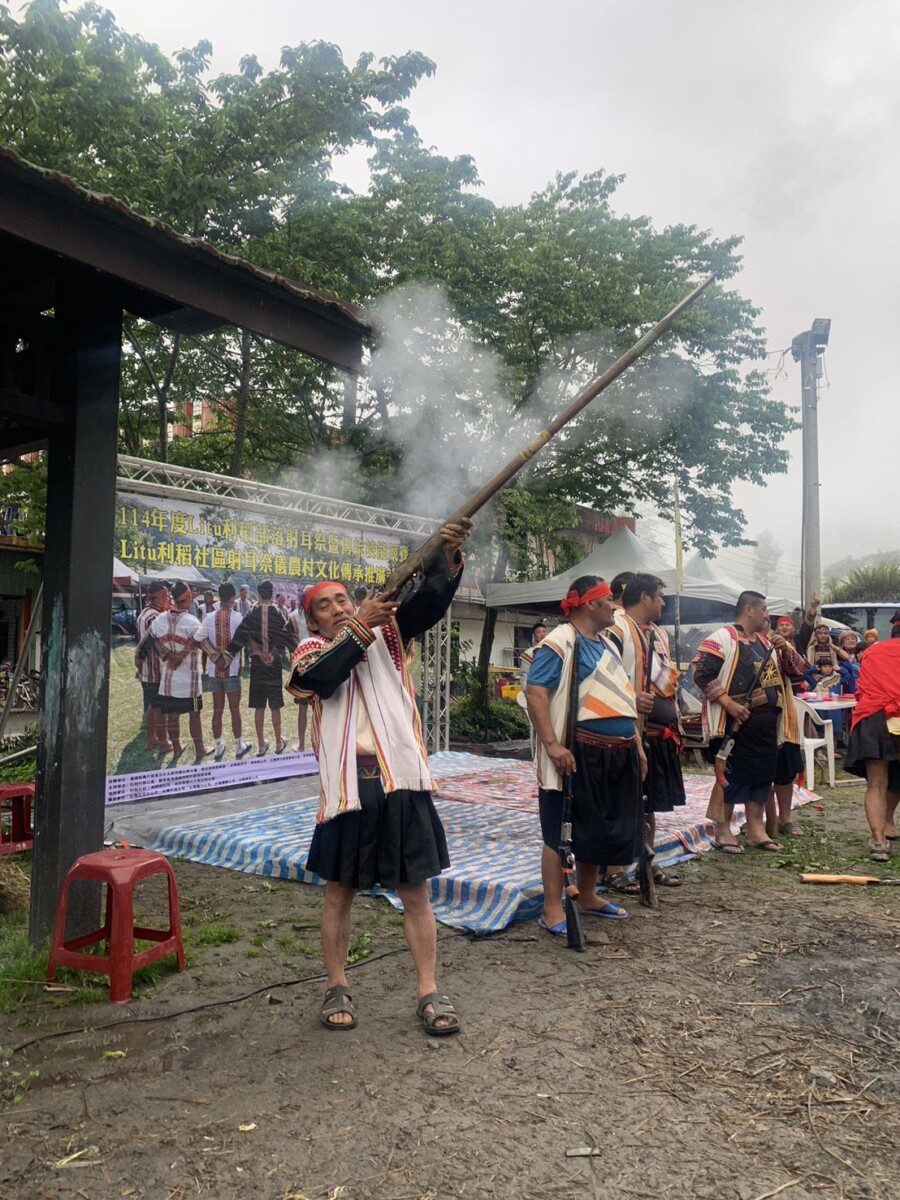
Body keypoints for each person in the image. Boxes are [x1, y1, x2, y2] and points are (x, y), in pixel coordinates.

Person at [287, 520, 472, 1035]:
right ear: (313, 622)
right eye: (326, 606)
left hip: (400, 782)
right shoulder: (309, 655)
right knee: (339, 891)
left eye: (344, 599)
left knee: (416, 891)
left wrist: (446, 555)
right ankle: (337, 985)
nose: (339, 608)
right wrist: (360, 625)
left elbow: (430, 600)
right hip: (351, 787)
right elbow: (323, 678)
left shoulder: (388, 637)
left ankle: (429, 989)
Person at [525, 575, 644, 933]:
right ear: (591, 603)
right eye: (609, 599)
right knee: (558, 831)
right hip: (574, 753)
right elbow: (535, 694)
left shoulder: (607, 643)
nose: (615, 605)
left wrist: (636, 744)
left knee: (596, 827)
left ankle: (589, 893)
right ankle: (551, 908)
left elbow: (620, 697)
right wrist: (552, 745)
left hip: (615, 753)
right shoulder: (560, 641)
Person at [693, 591, 798, 853]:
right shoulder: (723, 637)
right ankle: (723, 828)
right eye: (763, 609)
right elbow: (702, 674)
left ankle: (755, 828)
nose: (766, 615)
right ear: (749, 610)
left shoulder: (765, 643)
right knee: (731, 776)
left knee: (762, 776)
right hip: (734, 723)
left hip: (765, 726)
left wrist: (785, 649)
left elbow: (791, 673)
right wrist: (729, 704)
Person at [607, 573, 685, 889]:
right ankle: (613, 867)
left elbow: (666, 681)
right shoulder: (615, 629)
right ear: (644, 598)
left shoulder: (656, 634)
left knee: (647, 802)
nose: (664, 602)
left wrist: (675, 715)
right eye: (660, 596)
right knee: (622, 800)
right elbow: (602, 677)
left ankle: (645, 862)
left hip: (655, 729)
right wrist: (629, 696)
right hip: (625, 729)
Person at [843, 626, 900, 861]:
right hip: (891, 714)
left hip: (874, 717)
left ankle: (878, 842)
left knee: (877, 783)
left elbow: (861, 689)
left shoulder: (872, 653)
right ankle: (885, 825)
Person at [226, 580, 298, 755]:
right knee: (275, 705)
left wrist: (228, 656)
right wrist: (277, 653)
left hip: (258, 664)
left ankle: (260, 744)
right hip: (274, 664)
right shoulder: (278, 613)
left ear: (258, 595)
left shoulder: (252, 613)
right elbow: (287, 636)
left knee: (259, 705)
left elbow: (242, 636)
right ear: (272, 595)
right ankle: (279, 742)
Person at [149, 579, 211, 763]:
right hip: (190, 681)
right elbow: (202, 643)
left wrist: (168, 656)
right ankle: (200, 749)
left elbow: (154, 639)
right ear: (189, 597)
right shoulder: (192, 622)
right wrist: (181, 655)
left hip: (169, 680)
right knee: (194, 714)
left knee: (172, 716)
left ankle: (176, 748)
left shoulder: (160, 619)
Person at [196, 582, 252, 761]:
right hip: (233, 670)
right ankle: (238, 745)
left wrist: (215, 658)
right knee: (235, 710)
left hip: (214, 671)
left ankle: (219, 745)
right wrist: (226, 659)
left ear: (220, 597)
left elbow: (199, 639)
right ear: (231, 598)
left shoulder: (209, 617)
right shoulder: (238, 618)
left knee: (217, 710)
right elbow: (245, 641)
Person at [134, 580, 171, 753]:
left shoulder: (144, 613)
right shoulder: (154, 616)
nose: (167, 599)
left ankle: (153, 738)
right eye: (163, 596)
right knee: (158, 705)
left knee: (152, 705)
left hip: (147, 668)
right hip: (155, 667)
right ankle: (162, 741)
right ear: (153, 597)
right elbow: (153, 641)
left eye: (167, 595)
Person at [290, 596, 310, 752]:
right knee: (322, 708)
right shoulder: (320, 613)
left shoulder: (294, 615)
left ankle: (302, 745)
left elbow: (289, 638)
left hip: (302, 663)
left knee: (302, 708)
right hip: (320, 660)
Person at [519, 621, 549, 688]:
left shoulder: (554, 651)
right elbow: (525, 675)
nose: (542, 634)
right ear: (534, 636)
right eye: (538, 632)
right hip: (536, 688)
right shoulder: (528, 654)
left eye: (544, 631)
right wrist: (526, 692)